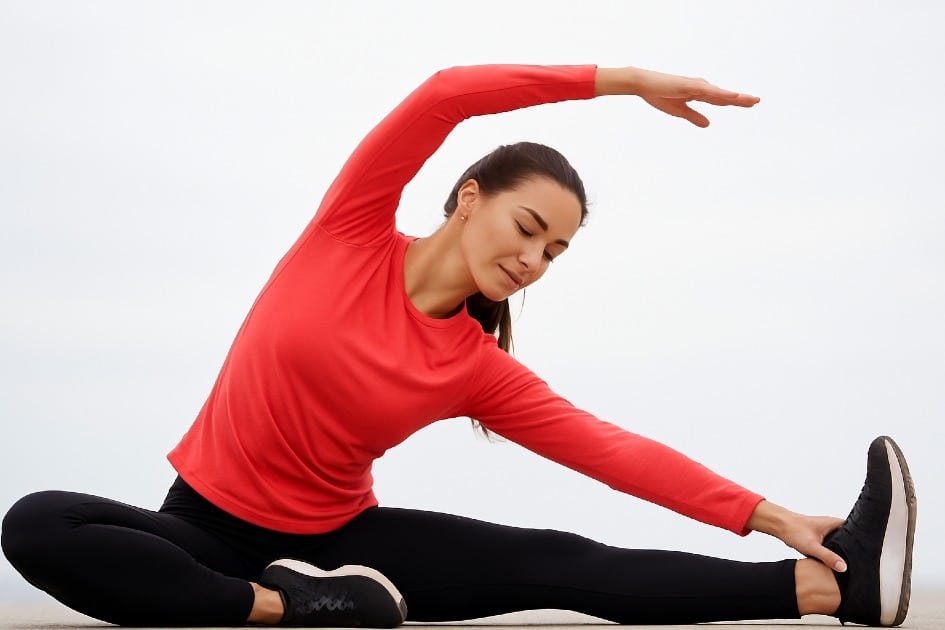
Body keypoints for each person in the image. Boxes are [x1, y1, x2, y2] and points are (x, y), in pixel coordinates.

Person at [1, 63, 917, 628]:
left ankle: (832, 591)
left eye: (554, 251)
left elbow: (612, 452)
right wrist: (624, 80)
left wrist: (772, 516)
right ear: (469, 195)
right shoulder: (346, 234)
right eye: (526, 226)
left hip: (339, 540)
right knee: (38, 522)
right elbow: (446, 93)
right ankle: (293, 612)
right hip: (202, 531)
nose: (533, 258)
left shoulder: (473, 367)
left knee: (561, 561)